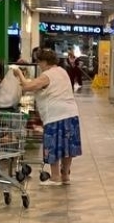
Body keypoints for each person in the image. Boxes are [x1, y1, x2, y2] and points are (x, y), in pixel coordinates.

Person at [14, 49, 82, 186]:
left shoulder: (47, 75)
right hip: (71, 113)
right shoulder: (62, 71)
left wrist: (19, 73)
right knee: (67, 146)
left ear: (45, 62)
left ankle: (55, 177)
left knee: (53, 145)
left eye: (39, 62)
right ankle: (65, 176)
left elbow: (28, 86)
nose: (38, 65)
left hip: (55, 115)